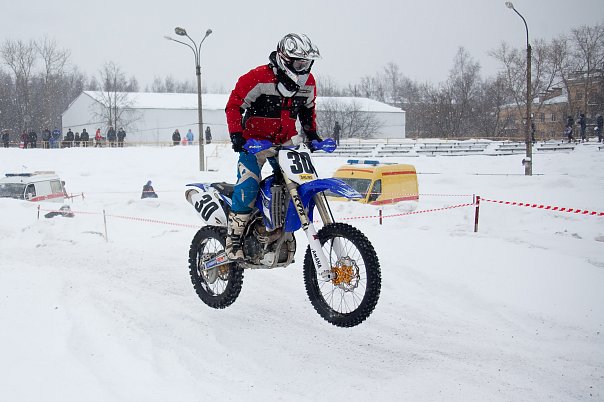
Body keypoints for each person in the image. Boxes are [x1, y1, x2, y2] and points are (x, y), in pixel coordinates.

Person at [224, 33, 322, 260]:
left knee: (297, 183)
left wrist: (312, 134)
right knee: (249, 183)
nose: (303, 67)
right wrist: (237, 135)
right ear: (284, 59)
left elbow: (307, 110)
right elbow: (234, 105)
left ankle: (276, 228)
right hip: (254, 142)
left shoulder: (308, 82)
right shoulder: (257, 78)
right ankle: (234, 238)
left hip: (286, 141)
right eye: (299, 63)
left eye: (307, 63)